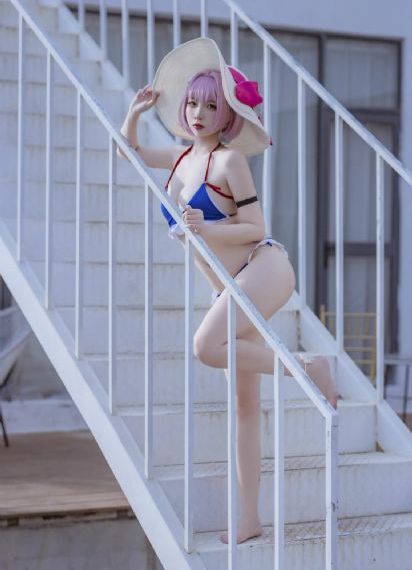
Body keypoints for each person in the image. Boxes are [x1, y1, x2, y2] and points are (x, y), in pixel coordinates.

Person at [118, 37, 338, 545]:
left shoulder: (228, 162)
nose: (198, 114)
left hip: (263, 268)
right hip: (229, 288)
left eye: (211, 106)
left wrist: (206, 228)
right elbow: (130, 152)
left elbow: (256, 228)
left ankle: (309, 369)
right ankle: (249, 518)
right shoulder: (180, 160)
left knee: (206, 345)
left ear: (228, 116)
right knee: (243, 408)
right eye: (193, 103)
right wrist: (133, 114)